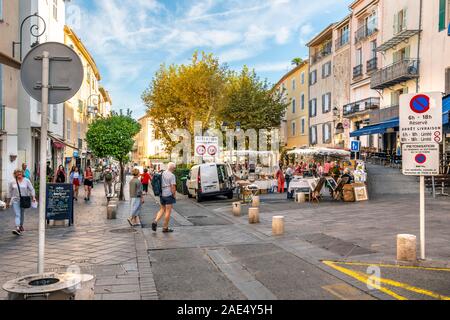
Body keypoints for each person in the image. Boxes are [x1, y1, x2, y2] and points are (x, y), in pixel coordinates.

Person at [7, 169, 36, 236]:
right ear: (15, 174)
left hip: (24, 200)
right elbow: (10, 192)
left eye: (20, 172)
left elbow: (32, 189)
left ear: (22, 173)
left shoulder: (26, 180)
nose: (19, 174)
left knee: (22, 213)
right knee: (17, 214)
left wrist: (33, 197)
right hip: (15, 200)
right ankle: (17, 228)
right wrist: (8, 202)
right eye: (17, 173)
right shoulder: (12, 182)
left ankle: (21, 225)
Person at [152, 162, 177, 233]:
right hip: (168, 194)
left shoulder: (162, 173)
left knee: (162, 209)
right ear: (174, 168)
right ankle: (165, 227)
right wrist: (174, 195)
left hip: (162, 194)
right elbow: (173, 186)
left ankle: (155, 221)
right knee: (168, 211)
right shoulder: (172, 175)